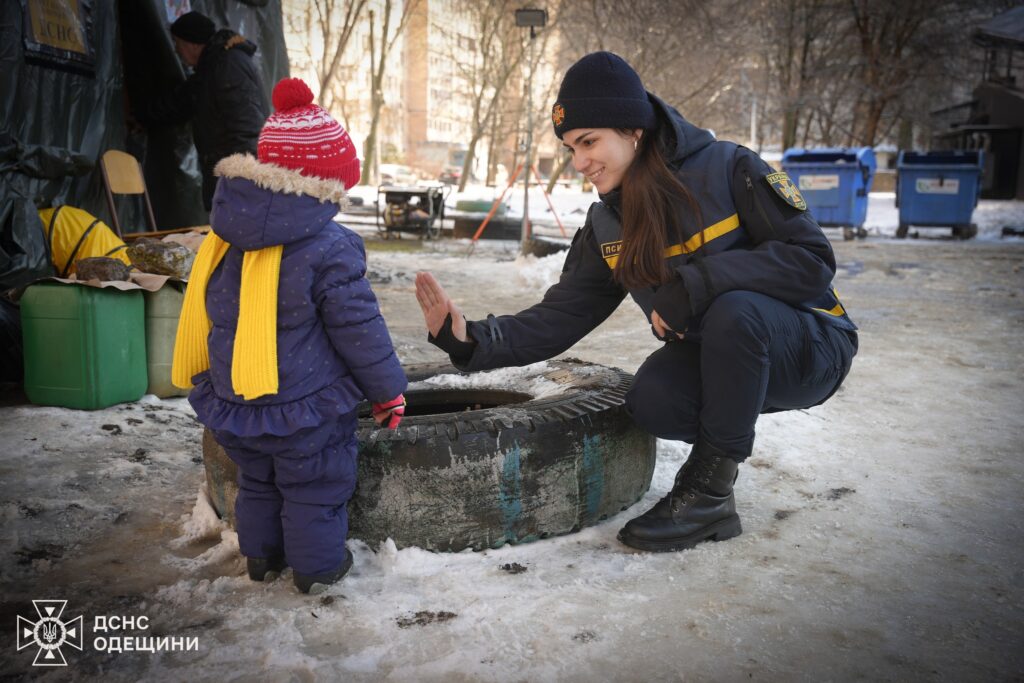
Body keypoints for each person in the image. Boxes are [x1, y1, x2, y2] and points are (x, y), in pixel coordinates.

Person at [415, 52, 857, 553]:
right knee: (653, 399)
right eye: (569, 148)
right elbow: (563, 313)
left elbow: (811, 260)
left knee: (738, 311)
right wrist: (471, 338)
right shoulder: (608, 224)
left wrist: (698, 283)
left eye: (588, 142)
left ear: (634, 131)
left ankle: (708, 494)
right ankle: (722, 441)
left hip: (812, 343)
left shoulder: (731, 168)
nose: (579, 162)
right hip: (730, 354)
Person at [172, 77, 407, 594]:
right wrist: (388, 390)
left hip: (235, 397)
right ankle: (318, 571)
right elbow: (358, 328)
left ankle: (261, 560)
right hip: (305, 405)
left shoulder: (225, 236)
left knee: (257, 480)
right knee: (314, 487)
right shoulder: (331, 246)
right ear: (322, 182)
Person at [142, 10, 269, 210]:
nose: (176, 50)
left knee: (237, 238)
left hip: (237, 181)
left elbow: (246, 128)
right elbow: (179, 103)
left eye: (177, 43)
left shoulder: (228, 66)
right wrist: (140, 117)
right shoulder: (212, 68)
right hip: (228, 177)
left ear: (191, 43)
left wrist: (243, 185)